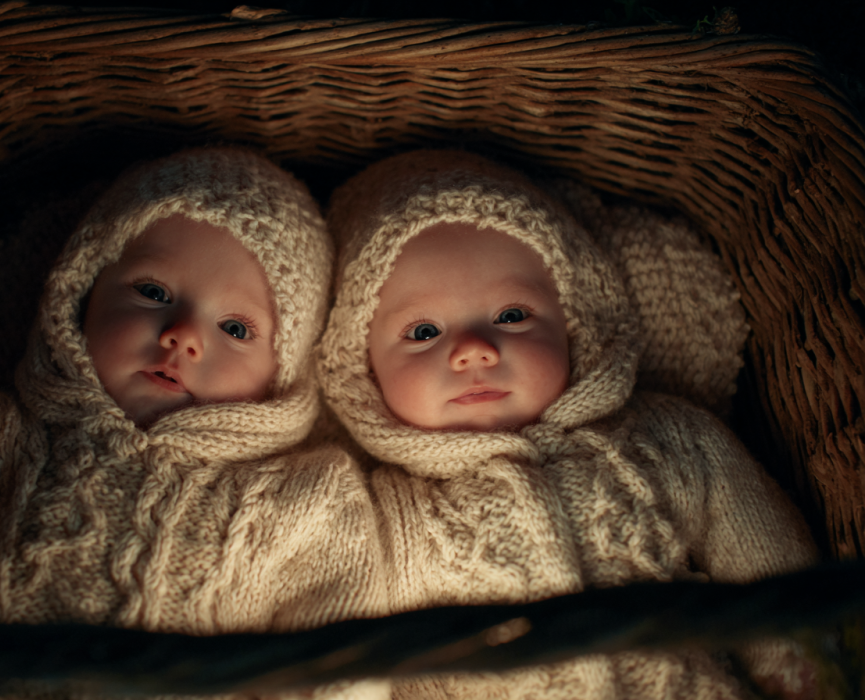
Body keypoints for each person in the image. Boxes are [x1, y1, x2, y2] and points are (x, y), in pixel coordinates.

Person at [0, 147, 387, 698]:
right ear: (80, 294)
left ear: (282, 373)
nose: (183, 334)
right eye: (153, 292)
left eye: (236, 328)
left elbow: (344, 663)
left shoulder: (307, 497)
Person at [316, 149, 819, 699]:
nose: (474, 351)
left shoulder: (662, 438)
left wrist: (799, 658)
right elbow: (356, 654)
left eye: (512, 316)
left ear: (576, 322)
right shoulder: (385, 513)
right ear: (362, 370)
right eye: (423, 332)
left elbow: (757, 547)